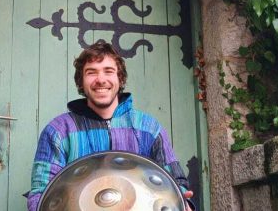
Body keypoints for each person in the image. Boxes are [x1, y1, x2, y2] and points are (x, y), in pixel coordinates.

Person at [27, 40, 195, 211]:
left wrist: (184, 202)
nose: (101, 80)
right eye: (91, 72)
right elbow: (41, 194)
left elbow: (174, 180)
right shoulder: (59, 130)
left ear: (120, 79)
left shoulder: (148, 127)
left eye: (108, 71)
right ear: (81, 81)